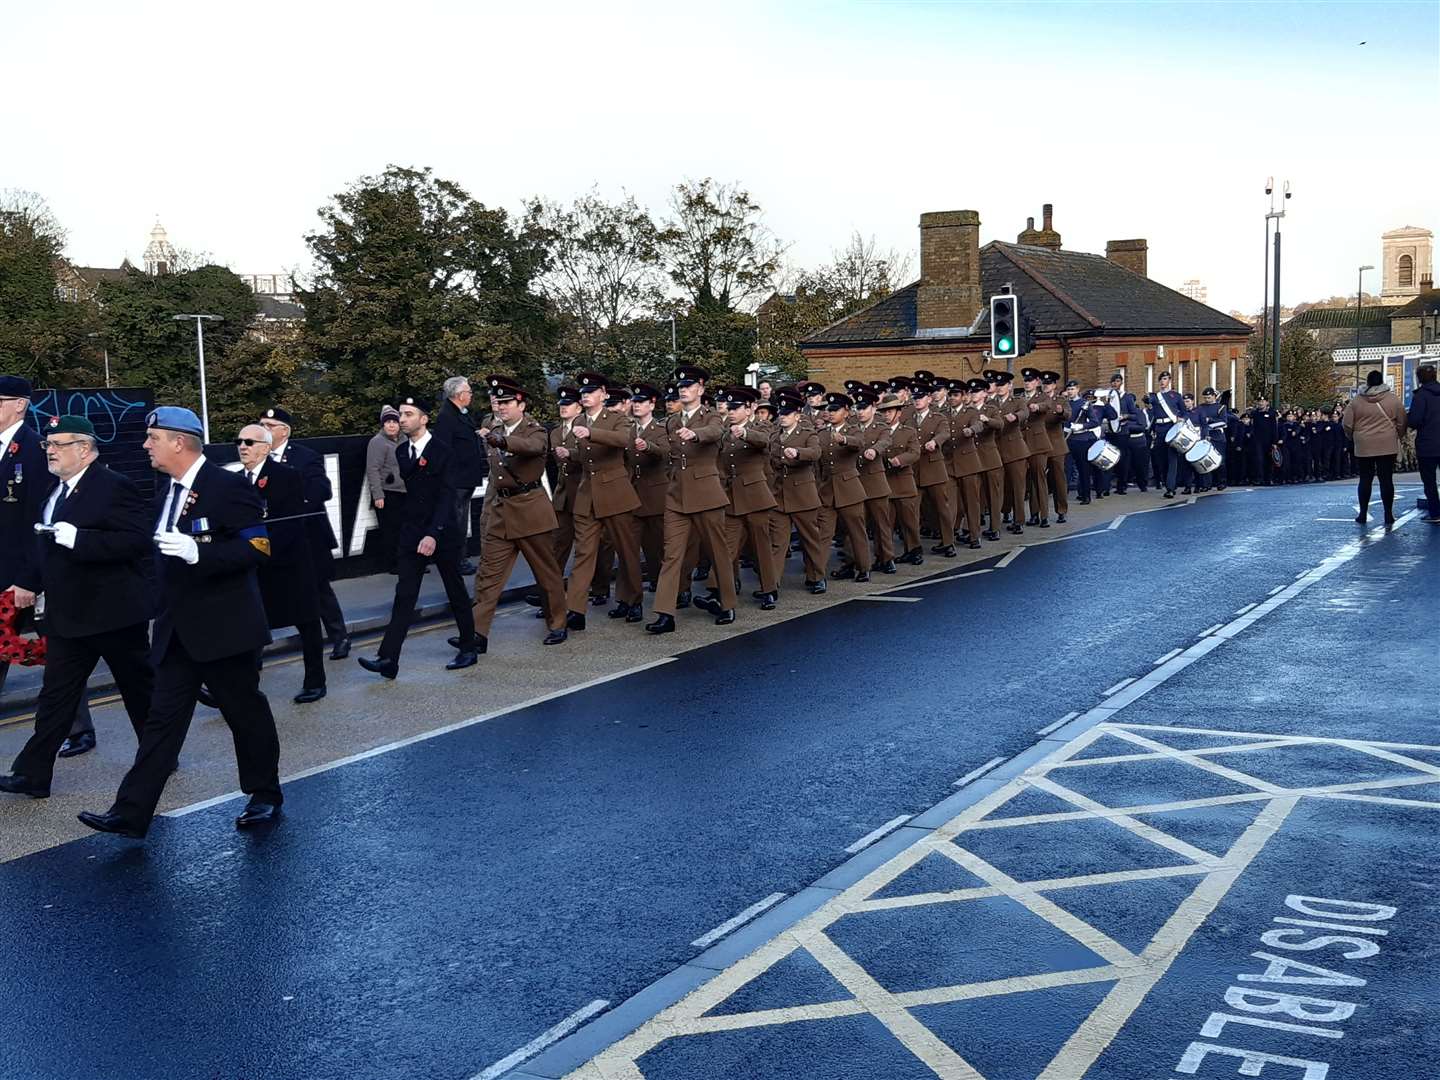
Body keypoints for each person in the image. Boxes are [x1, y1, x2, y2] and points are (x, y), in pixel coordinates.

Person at [78, 406, 282, 838]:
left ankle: (264, 793)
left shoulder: (226, 486)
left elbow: (259, 549)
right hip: (176, 633)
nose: (146, 445)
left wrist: (199, 553)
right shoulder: (167, 490)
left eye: (153, 438)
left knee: (245, 715)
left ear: (179, 442)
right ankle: (131, 812)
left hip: (225, 629)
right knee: (160, 723)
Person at [0, 416, 154, 797]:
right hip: (68, 615)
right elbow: (45, 547)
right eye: (47, 444)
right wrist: (27, 583)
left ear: (84, 449)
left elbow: (136, 542)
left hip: (113, 613)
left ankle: (158, 759)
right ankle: (33, 774)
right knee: (55, 697)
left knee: (139, 691)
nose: (49, 450)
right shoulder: (55, 492)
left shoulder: (114, 486)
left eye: (58, 444)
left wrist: (81, 540)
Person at [358, 394, 477, 678]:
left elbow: (447, 496)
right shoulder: (402, 453)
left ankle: (469, 648)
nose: (402, 419)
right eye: (401, 414)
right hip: (412, 532)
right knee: (404, 594)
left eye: (409, 414)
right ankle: (388, 659)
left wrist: (433, 533)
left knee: (455, 589)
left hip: (441, 531)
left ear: (424, 419)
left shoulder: (443, 451)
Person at [460, 376, 569, 652]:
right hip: (501, 512)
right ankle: (477, 634)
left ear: (521, 404)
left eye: (507, 402)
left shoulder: (534, 430)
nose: (501, 406)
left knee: (546, 574)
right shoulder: (491, 425)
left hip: (530, 510)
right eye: (498, 401)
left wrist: (500, 441)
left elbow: (531, 448)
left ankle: (557, 622)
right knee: (489, 576)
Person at [235, 424, 326, 704]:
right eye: (239, 442)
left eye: (249, 442)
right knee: (248, 628)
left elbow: (288, 523)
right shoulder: (238, 480)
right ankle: (239, 688)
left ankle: (315, 680)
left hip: (288, 564)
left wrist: (260, 553)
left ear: (265, 447)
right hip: (254, 567)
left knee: (306, 623)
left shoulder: (285, 476)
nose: (242, 447)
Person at [645, 366, 737, 634]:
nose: (683, 389)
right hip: (677, 496)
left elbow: (715, 432)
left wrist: (695, 434)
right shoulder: (672, 421)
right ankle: (665, 613)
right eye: (680, 386)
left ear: (700, 389)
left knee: (717, 551)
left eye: (688, 386)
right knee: (671, 555)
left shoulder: (713, 417)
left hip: (706, 494)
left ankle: (727, 602)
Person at [258, 407, 350, 659]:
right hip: (275, 536)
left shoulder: (304, 457)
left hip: (307, 536)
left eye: (269, 425)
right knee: (271, 590)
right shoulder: (259, 458)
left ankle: (339, 636)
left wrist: (292, 505)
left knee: (318, 589)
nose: (263, 429)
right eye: (262, 424)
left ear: (284, 430)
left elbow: (321, 490)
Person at [561, 372, 645, 626]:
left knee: (626, 551)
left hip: (615, 493)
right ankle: (575, 610)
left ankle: (633, 600)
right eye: (584, 393)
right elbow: (586, 456)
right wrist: (571, 453)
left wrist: (591, 432)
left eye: (591, 392)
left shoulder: (617, 419)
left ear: (604, 395)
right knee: (584, 553)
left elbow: (623, 440)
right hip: (587, 495)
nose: (586, 396)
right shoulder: (579, 420)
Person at [1, 375, 49, 700]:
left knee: (60, 655)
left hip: (24, 577)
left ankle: (78, 729)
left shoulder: (34, 450)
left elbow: (39, 520)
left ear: (20, 406)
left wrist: (28, 579)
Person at [770, 391, 827, 594]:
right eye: (780, 413)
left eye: (787, 413)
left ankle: (817, 577)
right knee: (777, 543)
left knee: (810, 539)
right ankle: (771, 586)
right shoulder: (774, 436)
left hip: (803, 493)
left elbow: (816, 453)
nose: (782, 416)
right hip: (780, 495)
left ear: (797, 415)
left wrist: (798, 453)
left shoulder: (807, 433)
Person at [816, 393, 874, 581]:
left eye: (835, 410)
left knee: (856, 531)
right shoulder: (822, 434)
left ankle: (863, 568)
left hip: (849, 488)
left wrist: (844, 440)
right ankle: (817, 576)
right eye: (829, 410)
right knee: (824, 534)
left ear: (847, 412)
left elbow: (859, 444)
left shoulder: (853, 429)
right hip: (827, 489)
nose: (831, 413)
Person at [433, 376, 486, 576]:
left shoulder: (461, 415)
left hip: (464, 478)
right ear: (459, 395)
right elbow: (444, 450)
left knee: (460, 519)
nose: (471, 395)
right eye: (469, 392)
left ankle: (457, 558)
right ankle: (456, 559)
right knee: (456, 521)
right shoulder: (447, 417)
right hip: (457, 480)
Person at [1342, 371, 1407, 526]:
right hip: (1386, 443)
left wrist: (1354, 437)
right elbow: (1402, 421)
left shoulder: (1357, 401)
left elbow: (1347, 423)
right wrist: (1397, 435)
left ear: (1368, 383)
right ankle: (1388, 514)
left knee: (1365, 479)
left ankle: (1363, 513)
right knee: (1386, 479)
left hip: (1364, 444)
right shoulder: (1393, 400)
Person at [628, 384, 670, 589]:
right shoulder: (627, 430)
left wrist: (648, 447)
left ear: (652, 404)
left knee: (660, 545)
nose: (636, 406)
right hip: (633, 496)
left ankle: (670, 586)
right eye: (634, 402)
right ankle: (645, 586)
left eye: (641, 402)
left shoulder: (660, 429)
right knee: (634, 547)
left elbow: (664, 451)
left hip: (655, 495)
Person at [366, 406, 406, 573]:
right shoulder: (377, 442)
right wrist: (378, 495)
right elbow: (372, 469)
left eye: (394, 422)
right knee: (391, 530)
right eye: (388, 422)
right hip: (388, 492)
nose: (391, 425)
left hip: (406, 491)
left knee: (407, 528)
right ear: (383, 424)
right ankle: (394, 564)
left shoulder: (406, 439)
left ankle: (408, 562)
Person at [1407, 364, 1440, 523]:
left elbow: (1414, 420)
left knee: (1429, 481)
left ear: (1419, 379)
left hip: (1428, 444)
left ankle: (1435, 513)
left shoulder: (1420, 396)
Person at [1149, 371, 1186, 498]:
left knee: (1172, 459)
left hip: (1172, 427)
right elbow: (1150, 406)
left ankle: (1170, 488)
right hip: (1160, 429)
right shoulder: (1155, 397)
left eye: (1165, 379)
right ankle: (1169, 484)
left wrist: (1181, 419)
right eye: (1161, 379)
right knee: (1162, 460)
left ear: (1169, 380)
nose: (1162, 382)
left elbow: (1184, 412)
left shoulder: (1175, 396)